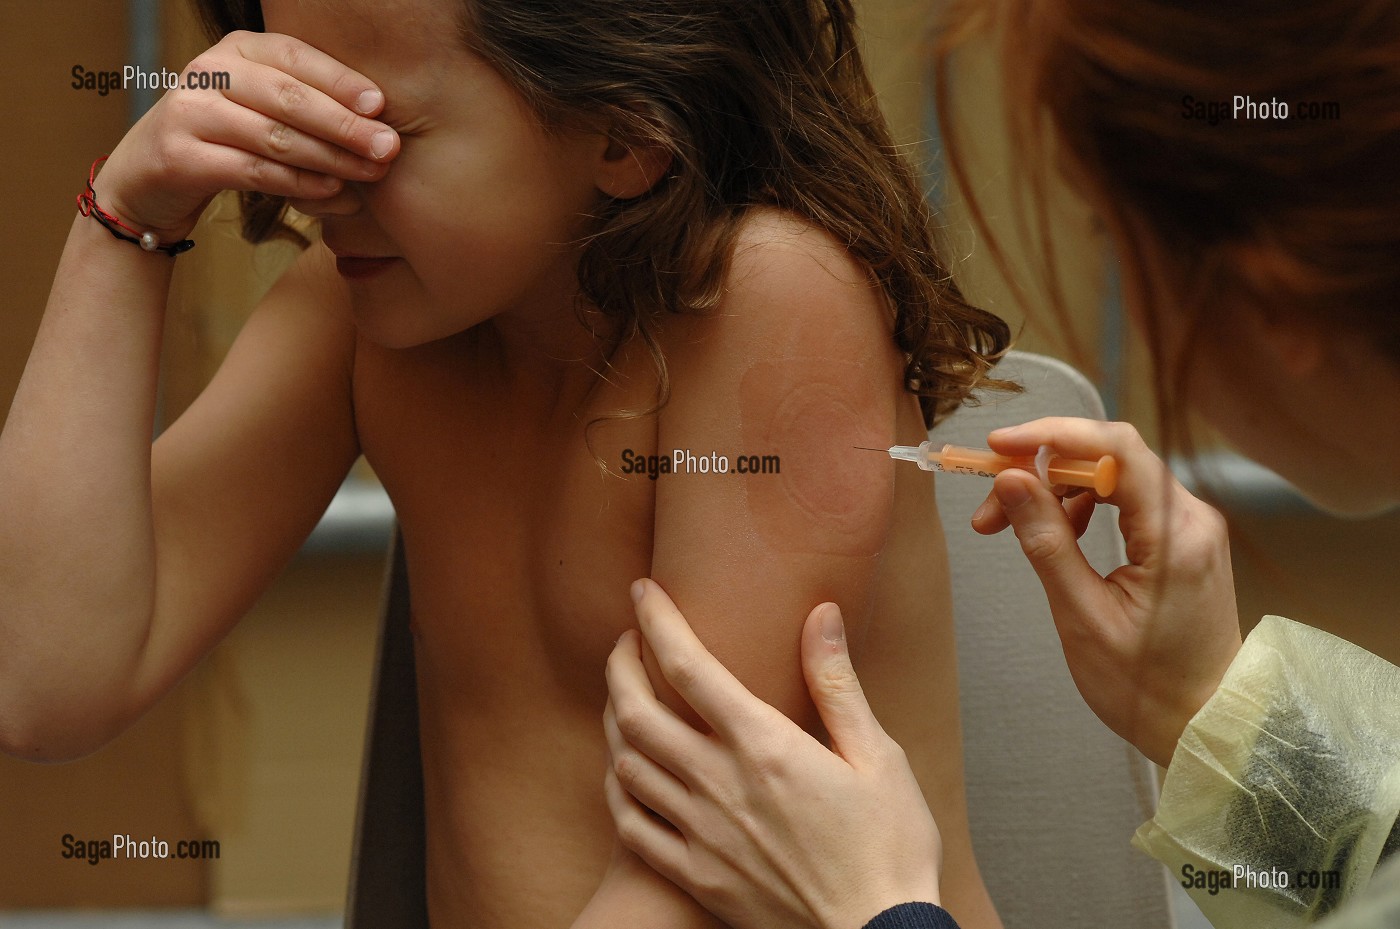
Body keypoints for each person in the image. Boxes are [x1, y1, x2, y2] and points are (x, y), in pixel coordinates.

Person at [0, 0, 1014, 926]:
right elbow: (44, 681)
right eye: (289, 108)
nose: (316, 179)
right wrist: (126, 219)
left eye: (373, 131)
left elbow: (694, 873)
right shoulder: (364, 321)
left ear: (623, 133)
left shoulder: (769, 301)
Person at [601, 0, 1400, 927]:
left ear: (1275, 309)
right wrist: (1199, 706)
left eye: (1110, 235)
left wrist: (878, 908)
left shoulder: (779, 291)